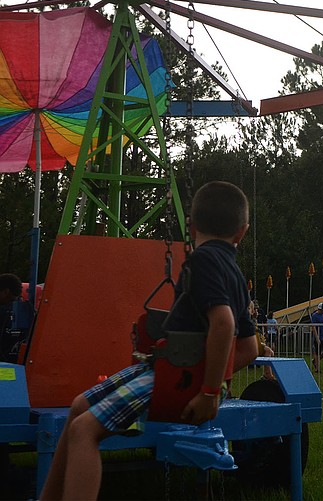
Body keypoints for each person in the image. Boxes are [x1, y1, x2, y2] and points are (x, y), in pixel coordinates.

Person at [41, 181, 258, 500]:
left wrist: (208, 390)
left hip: (172, 376)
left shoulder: (204, 260)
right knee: (78, 407)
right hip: (164, 367)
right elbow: (250, 349)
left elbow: (223, 322)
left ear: (192, 225)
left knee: (84, 430)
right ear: (242, 232)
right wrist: (215, 379)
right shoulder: (235, 274)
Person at [310, 302, 323, 372]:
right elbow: (313, 327)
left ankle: (315, 361)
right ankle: (317, 368)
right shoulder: (314, 316)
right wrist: (317, 338)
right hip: (317, 336)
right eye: (322, 310)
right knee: (317, 352)